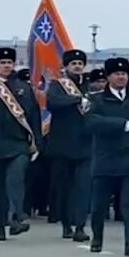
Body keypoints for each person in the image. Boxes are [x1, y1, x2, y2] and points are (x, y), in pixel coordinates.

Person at [0, 46, 41, 242]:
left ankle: (16, 215)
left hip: (17, 141)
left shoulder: (23, 87)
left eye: (9, 62)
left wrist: (37, 142)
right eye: (2, 63)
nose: (6, 66)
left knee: (16, 177)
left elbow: (33, 115)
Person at [85, 57, 129, 257]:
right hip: (106, 159)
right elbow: (90, 122)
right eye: (117, 74)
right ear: (108, 77)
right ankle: (97, 237)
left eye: (124, 74)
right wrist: (120, 124)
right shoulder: (96, 99)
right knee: (99, 205)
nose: (121, 77)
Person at [44, 49, 94, 242]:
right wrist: (77, 100)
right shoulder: (58, 85)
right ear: (66, 67)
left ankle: (80, 225)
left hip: (85, 145)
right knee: (63, 188)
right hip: (62, 146)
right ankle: (66, 223)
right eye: (73, 63)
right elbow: (52, 103)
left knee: (83, 188)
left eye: (80, 63)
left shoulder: (91, 87)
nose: (77, 66)